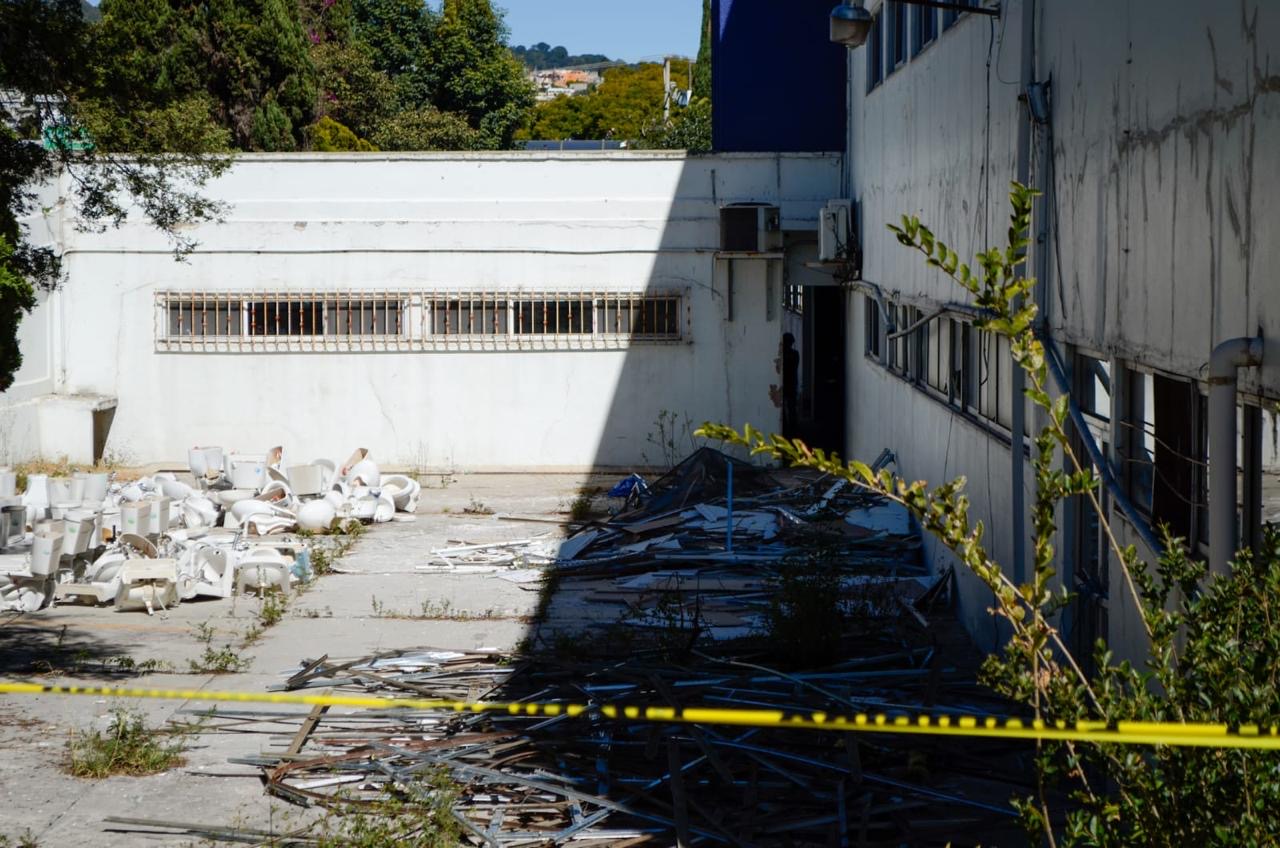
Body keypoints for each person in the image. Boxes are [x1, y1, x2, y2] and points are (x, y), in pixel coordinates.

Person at [782, 332, 799, 436]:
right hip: (791, 382)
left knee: (788, 406)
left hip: (788, 382)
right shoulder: (795, 354)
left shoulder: (789, 354)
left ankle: (788, 427)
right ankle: (792, 428)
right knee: (791, 406)